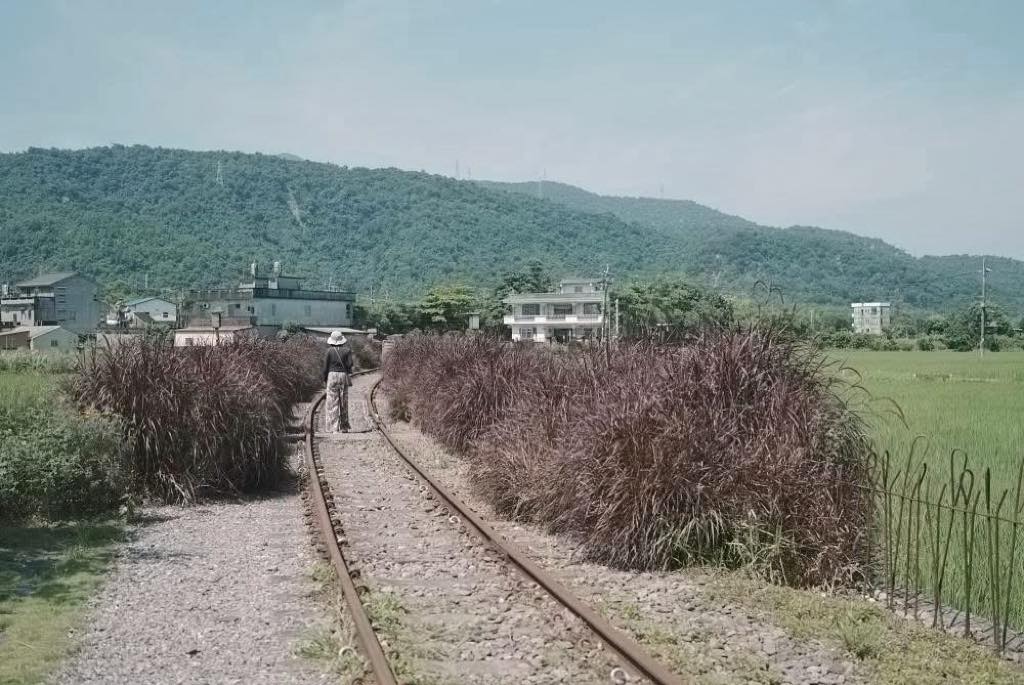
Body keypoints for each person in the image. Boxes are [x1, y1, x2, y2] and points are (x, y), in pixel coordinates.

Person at [323, 330, 353, 432]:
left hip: (332, 376)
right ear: (342, 340)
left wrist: (324, 379)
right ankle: (344, 427)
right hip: (343, 376)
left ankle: (333, 428)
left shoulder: (329, 351)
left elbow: (325, 367)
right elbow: (350, 365)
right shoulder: (347, 351)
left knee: (332, 403)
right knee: (343, 401)